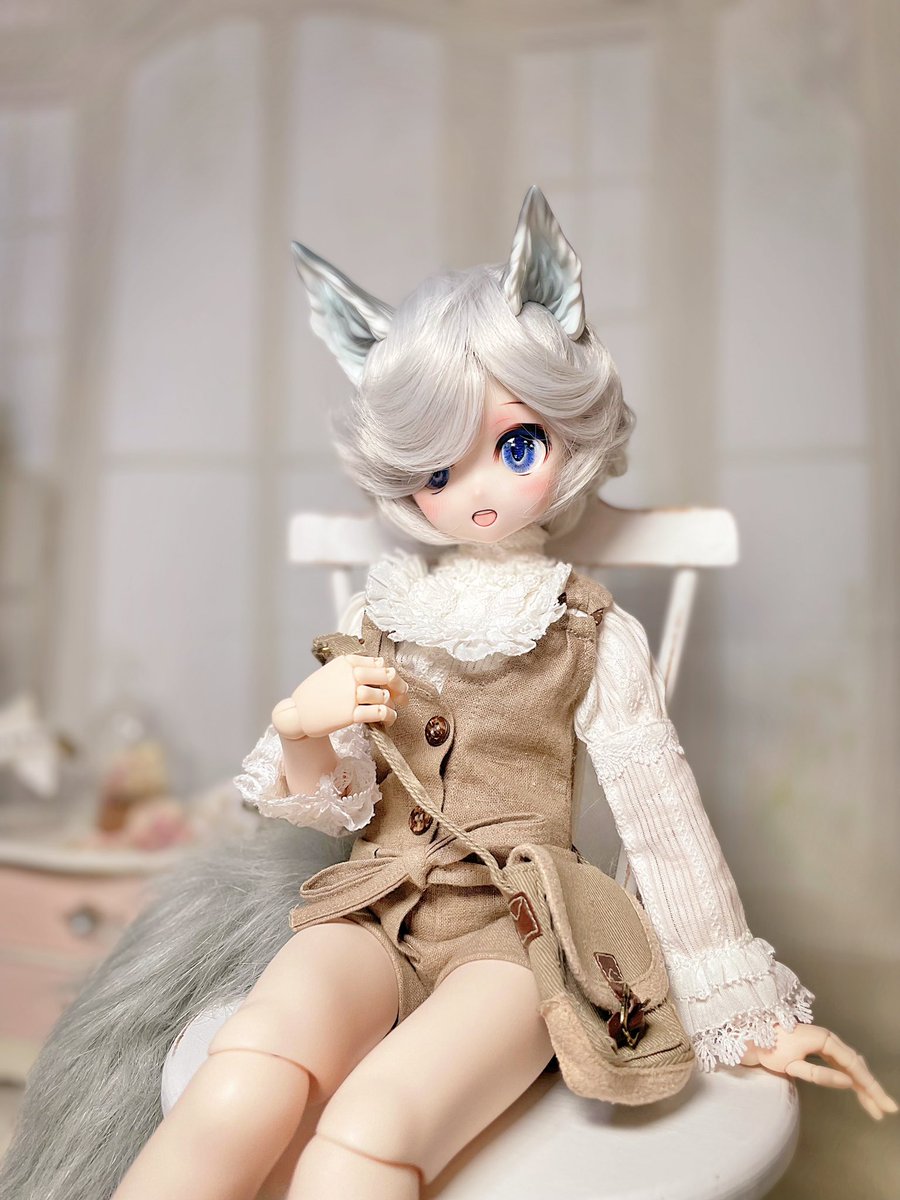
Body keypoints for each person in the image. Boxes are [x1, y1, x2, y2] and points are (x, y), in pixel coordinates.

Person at [76, 188, 900, 1200]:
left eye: (515, 447)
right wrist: (301, 725)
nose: (474, 492)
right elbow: (326, 804)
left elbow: (662, 822)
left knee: (372, 1129)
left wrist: (750, 1014)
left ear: (566, 433)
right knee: (246, 1073)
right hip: (374, 913)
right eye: (436, 469)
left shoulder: (586, 631)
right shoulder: (385, 612)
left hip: (515, 942)